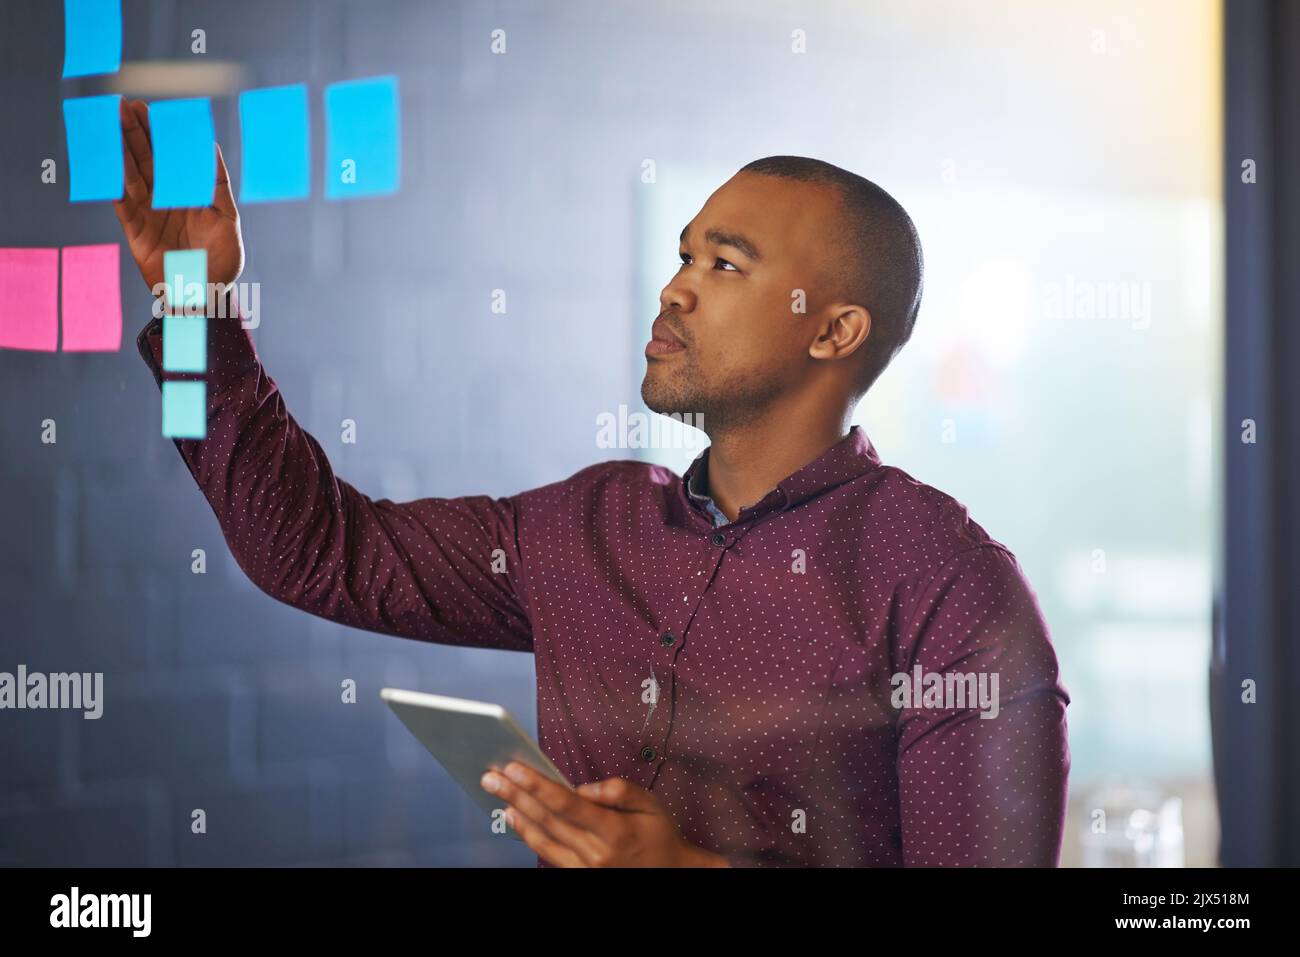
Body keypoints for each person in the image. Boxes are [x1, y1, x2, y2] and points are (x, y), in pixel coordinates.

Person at [112, 97, 1070, 867]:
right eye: (685, 252)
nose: (676, 287)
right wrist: (196, 305)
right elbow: (311, 551)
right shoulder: (586, 525)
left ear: (832, 332)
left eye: (726, 264)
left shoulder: (952, 589)